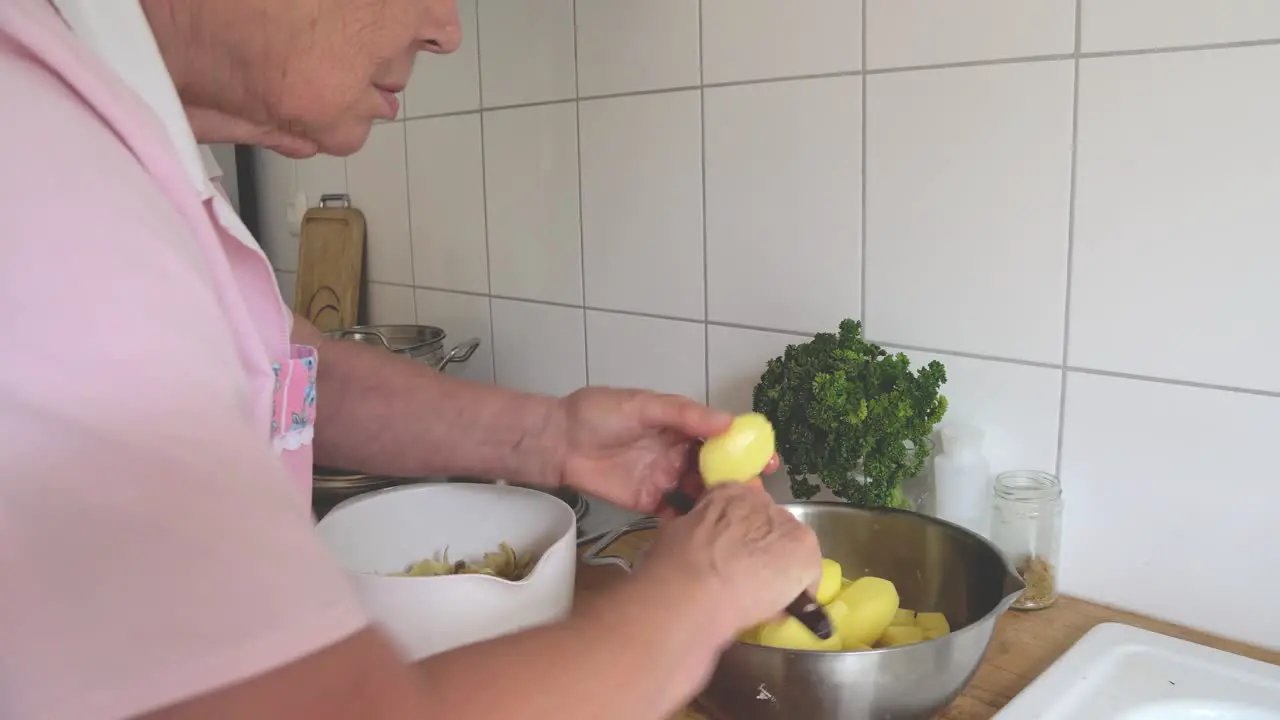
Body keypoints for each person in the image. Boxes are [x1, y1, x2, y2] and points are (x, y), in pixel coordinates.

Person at [0, 1, 824, 719]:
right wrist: (694, 601)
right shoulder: (43, 175)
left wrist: (554, 439)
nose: (447, 31)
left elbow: (295, 370)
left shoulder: (104, 127)